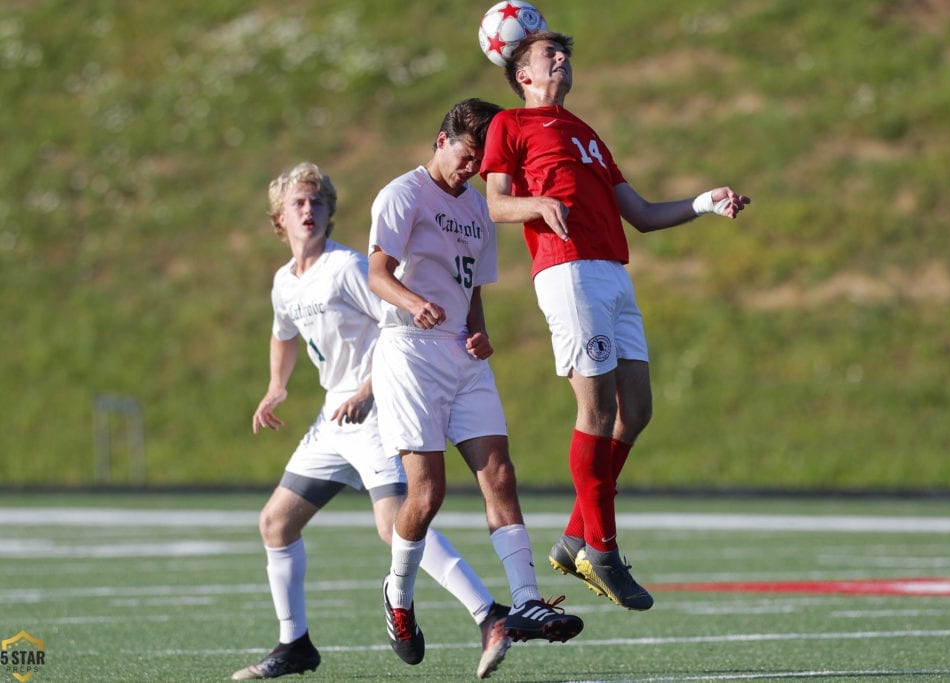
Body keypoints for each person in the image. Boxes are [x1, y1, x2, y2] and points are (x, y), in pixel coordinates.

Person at [480, 32, 751, 612]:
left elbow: (645, 216)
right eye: (547, 55)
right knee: (597, 409)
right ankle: (601, 550)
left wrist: (705, 202)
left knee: (638, 411)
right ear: (522, 75)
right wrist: (536, 205)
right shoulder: (509, 125)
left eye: (564, 53)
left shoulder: (585, 132)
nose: (560, 59)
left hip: (613, 275)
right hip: (567, 271)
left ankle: (575, 536)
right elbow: (495, 201)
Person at [233, 162, 512, 681]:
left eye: (317, 202)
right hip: (332, 419)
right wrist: (276, 386)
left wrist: (367, 391)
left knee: (395, 524)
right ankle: (294, 645)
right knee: (275, 522)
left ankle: (489, 614)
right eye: (298, 203)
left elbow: (395, 324)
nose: (309, 210)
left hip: (375, 410)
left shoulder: (346, 268)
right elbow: (283, 331)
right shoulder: (284, 282)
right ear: (279, 218)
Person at [367, 98, 584, 666]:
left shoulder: (478, 210)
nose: (472, 169)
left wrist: (480, 333)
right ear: (441, 140)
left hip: (463, 358)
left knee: (500, 474)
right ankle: (398, 595)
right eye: (466, 155)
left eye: (480, 161)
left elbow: (475, 289)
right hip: (410, 354)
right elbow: (377, 273)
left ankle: (527, 602)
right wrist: (414, 303)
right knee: (428, 494)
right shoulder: (403, 194)